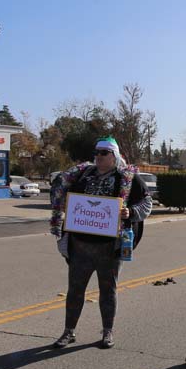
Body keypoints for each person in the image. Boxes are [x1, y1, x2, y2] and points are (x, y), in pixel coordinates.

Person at [49, 138, 152, 350]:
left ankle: (107, 332)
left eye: (104, 152)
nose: (98, 156)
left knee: (108, 291)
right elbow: (60, 192)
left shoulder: (127, 178)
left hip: (109, 247)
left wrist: (130, 212)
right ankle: (69, 332)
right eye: (96, 152)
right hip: (80, 245)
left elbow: (146, 202)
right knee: (75, 290)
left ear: (114, 155)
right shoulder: (83, 175)